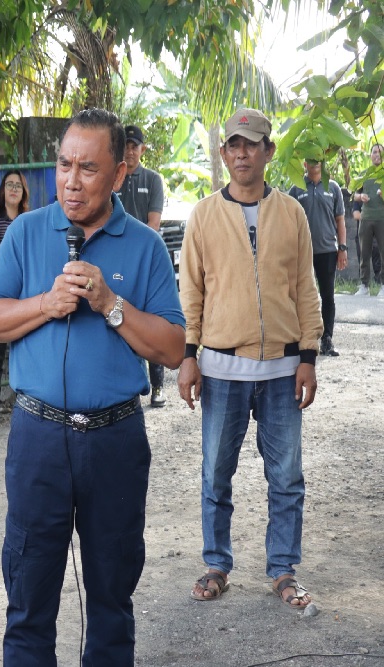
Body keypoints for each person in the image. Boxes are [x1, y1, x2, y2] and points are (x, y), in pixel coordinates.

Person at [0, 108, 185, 666]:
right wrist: (46, 303)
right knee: (28, 598)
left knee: (113, 598)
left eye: (88, 168)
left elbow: (171, 347)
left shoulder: (144, 246)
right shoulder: (24, 232)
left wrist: (111, 306)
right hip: (38, 439)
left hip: (114, 441)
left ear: (119, 175)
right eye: (64, 165)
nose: (71, 180)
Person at [177, 108, 321, 610]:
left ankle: (283, 569)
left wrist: (309, 356)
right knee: (217, 472)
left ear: (268, 152)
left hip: (283, 370)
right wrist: (188, 357)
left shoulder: (293, 214)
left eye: (252, 144)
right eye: (234, 145)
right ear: (224, 153)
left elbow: (306, 287)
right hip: (220, 368)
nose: (242, 153)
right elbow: (190, 292)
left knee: (286, 476)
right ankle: (217, 563)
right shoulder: (203, 215)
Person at [118, 124, 169, 407]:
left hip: (146, 260)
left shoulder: (153, 179)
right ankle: (129, 386)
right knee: (122, 319)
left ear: (143, 149)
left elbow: (154, 223)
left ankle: (158, 386)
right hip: (118, 260)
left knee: (150, 321)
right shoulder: (114, 177)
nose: (130, 150)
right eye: (126, 145)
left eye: (134, 145)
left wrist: (137, 251)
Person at [0, 170, 30, 428]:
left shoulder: (30, 220)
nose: (13, 189)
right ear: (2, 190)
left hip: (26, 292)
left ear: (24, 192)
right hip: (1, 293)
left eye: (18, 186)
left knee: (26, 346)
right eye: (9, 185)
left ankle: (27, 400)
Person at [288, 159, 347, 355]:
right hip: (301, 253)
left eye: (318, 159)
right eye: (311, 159)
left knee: (327, 296)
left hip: (328, 251)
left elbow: (340, 219)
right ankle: (300, 338)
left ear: (323, 162)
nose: (315, 163)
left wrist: (343, 248)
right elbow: (287, 220)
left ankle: (327, 339)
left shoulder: (333, 187)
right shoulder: (296, 189)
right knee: (299, 295)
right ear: (304, 163)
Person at [354, 143, 384, 295]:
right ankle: (364, 285)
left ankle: (383, 286)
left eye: (379, 152)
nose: (377, 155)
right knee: (364, 253)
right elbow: (354, 195)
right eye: (374, 152)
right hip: (366, 219)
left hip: (382, 219)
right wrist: (361, 196)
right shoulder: (364, 174)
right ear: (370, 155)